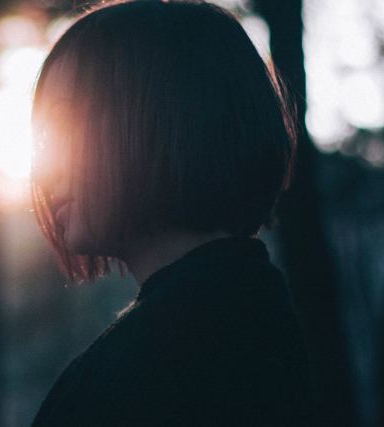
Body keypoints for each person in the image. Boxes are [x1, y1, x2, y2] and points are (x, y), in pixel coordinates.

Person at [28, 1, 311, 425]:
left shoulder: (178, 358)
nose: (43, 163)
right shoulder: (231, 326)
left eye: (66, 123)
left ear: (162, 118)